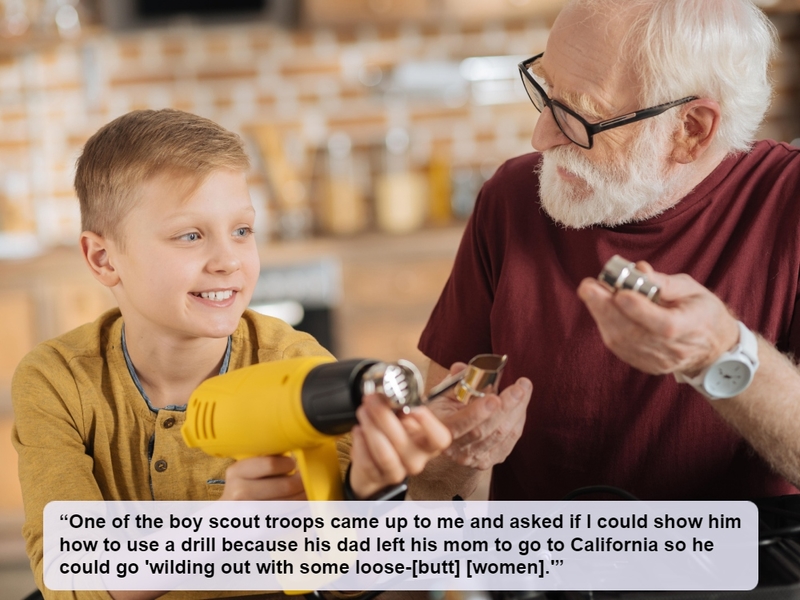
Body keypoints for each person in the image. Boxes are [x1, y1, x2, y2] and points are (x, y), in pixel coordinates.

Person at [11, 109, 451, 600]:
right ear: (103, 258)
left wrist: (371, 496)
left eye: (242, 230)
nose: (228, 261)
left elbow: (341, 584)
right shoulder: (58, 380)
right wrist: (218, 533)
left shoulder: (295, 366)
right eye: (190, 236)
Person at [409, 0, 800, 503]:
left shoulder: (788, 206)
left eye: (579, 116)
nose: (541, 137)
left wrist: (721, 354)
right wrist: (449, 455)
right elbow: (432, 494)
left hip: (738, 574)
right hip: (539, 573)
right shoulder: (509, 200)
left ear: (691, 130)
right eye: (547, 93)